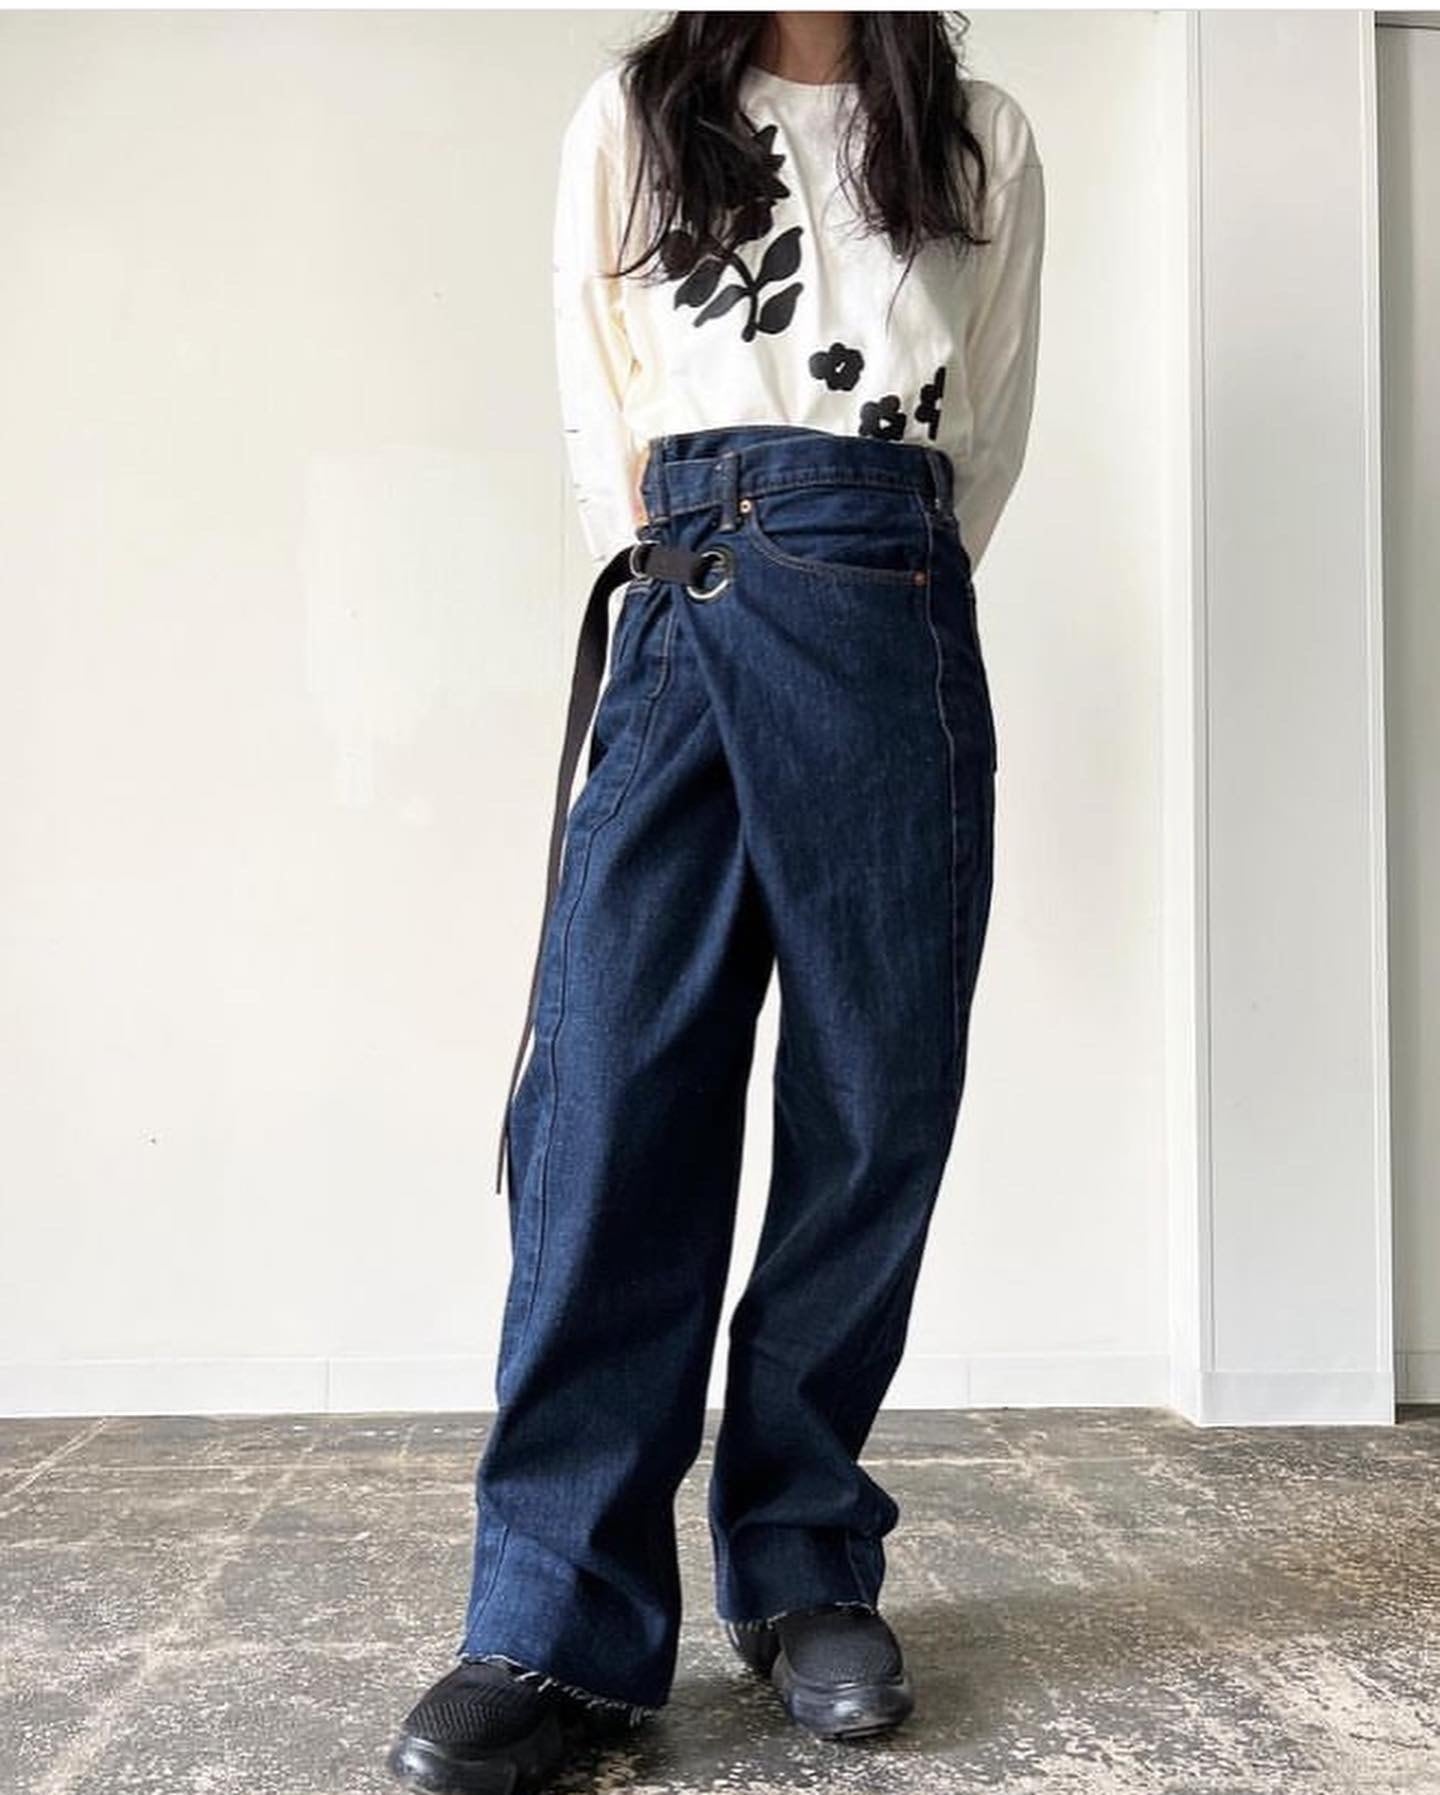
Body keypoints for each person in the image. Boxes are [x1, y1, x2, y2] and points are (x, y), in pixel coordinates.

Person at [389, 10, 1043, 1790]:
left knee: (873, 1102)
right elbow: (593, 386)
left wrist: (861, 576)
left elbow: (985, 431)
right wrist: (723, 567)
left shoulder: (978, 132)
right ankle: (552, 1620)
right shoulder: (637, 113)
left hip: (890, 599)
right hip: (682, 594)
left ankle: (805, 1562)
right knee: (609, 1097)